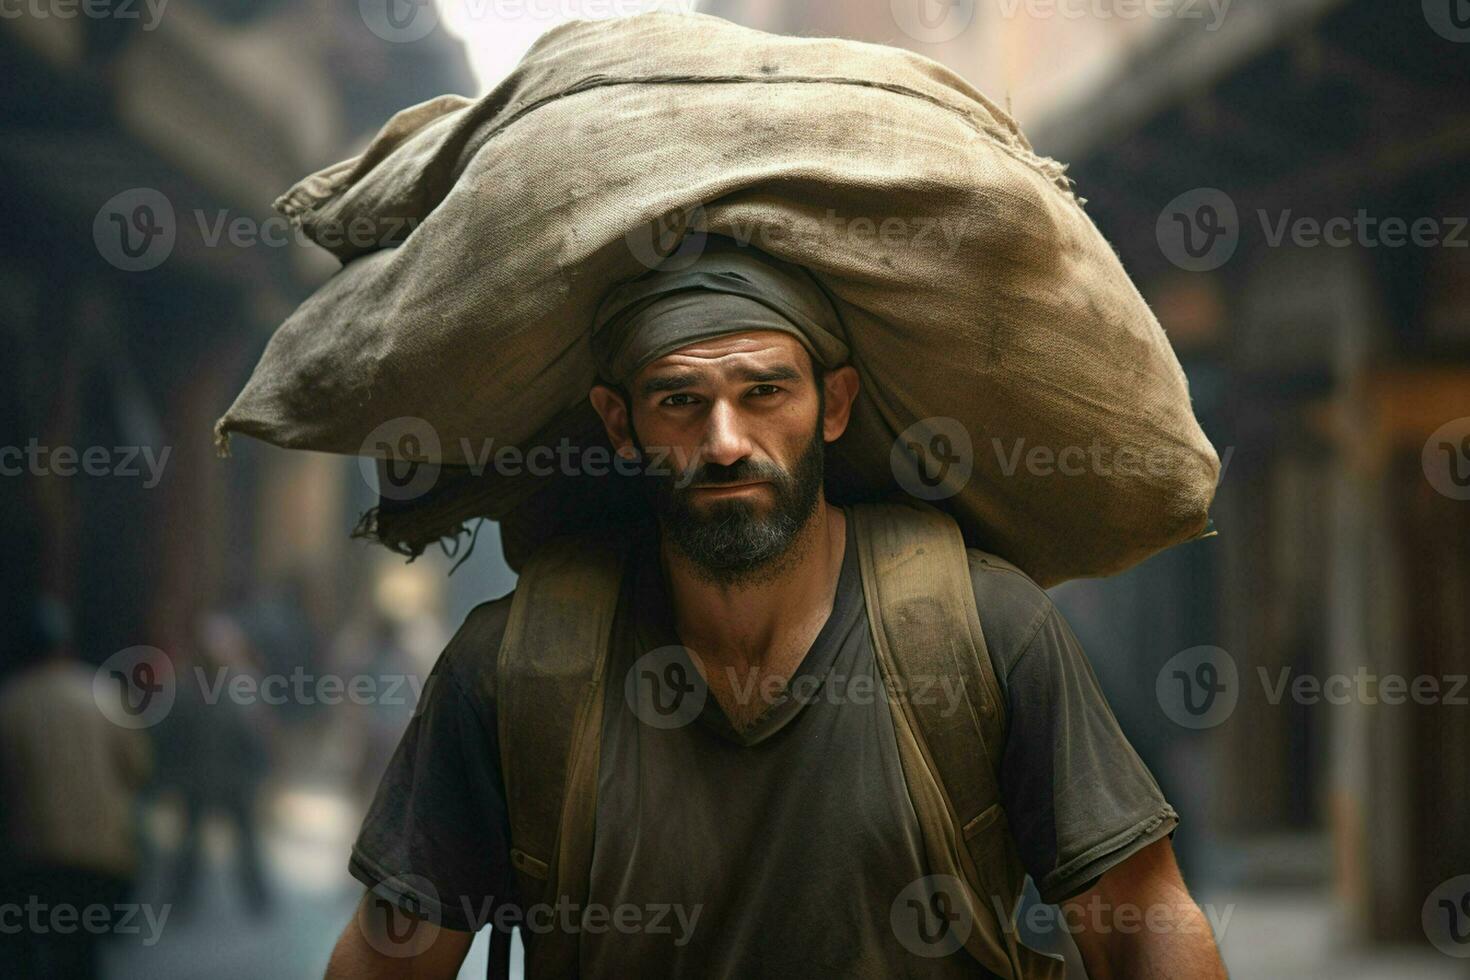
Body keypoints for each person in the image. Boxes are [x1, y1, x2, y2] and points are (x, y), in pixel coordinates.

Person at [324, 236, 1228, 978]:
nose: (725, 443)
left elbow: (1139, 919)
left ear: (833, 405)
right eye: (681, 401)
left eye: (765, 393)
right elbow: (390, 959)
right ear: (619, 422)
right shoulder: (517, 666)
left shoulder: (978, 629)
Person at [0, 597, 153, 978]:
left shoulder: (11, 701)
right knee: (81, 958)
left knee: (26, 955)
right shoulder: (102, 692)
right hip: (104, 860)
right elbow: (139, 769)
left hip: (34, 857)